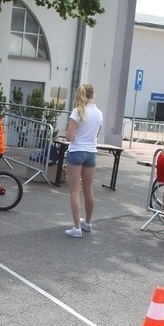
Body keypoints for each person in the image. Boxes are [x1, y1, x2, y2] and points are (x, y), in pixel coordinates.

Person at [64, 83, 104, 238]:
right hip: (91, 152)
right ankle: (87, 222)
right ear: (92, 95)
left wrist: (75, 136)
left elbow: (69, 137)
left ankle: (76, 227)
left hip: (76, 151)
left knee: (75, 190)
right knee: (88, 190)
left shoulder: (77, 112)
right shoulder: (99, 113)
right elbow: (96, 134)